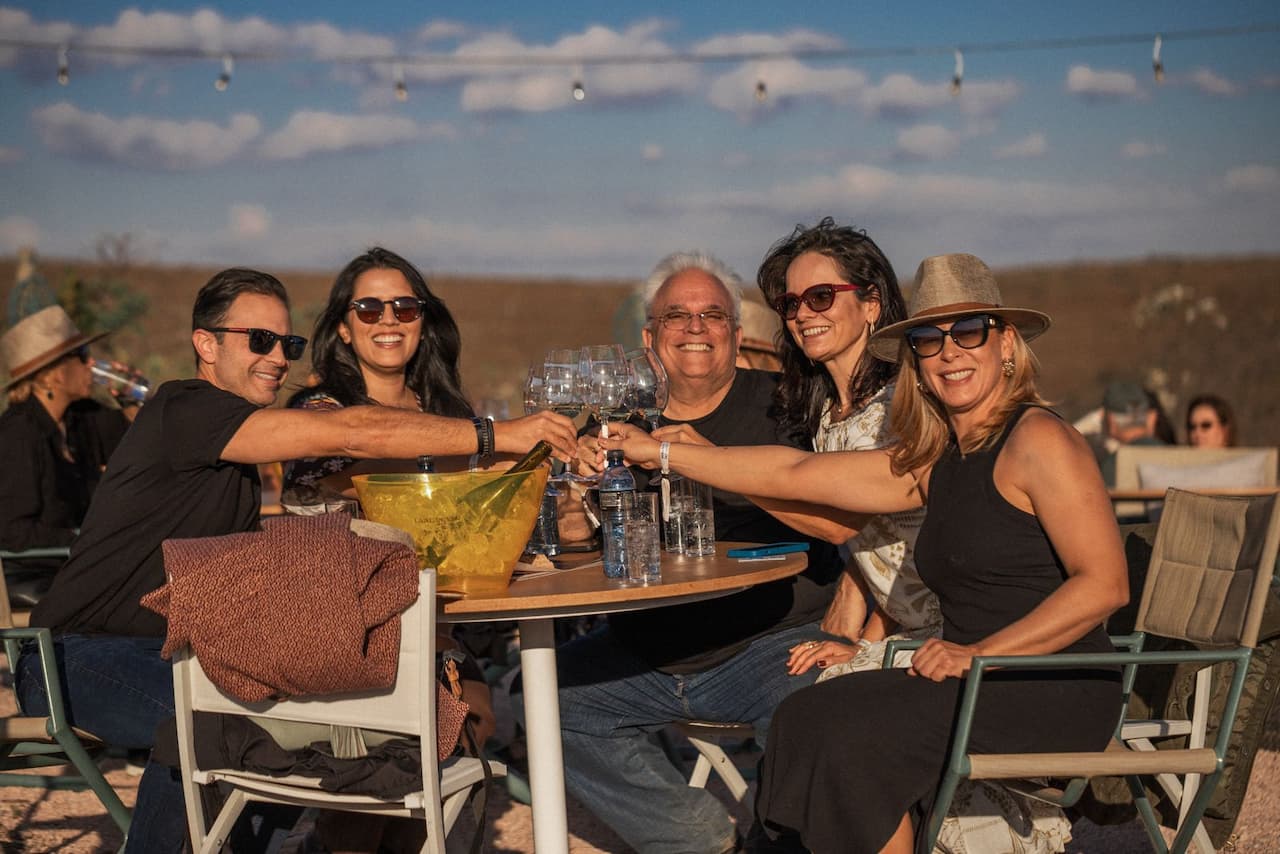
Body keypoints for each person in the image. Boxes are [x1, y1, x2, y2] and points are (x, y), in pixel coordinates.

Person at [16, 268, 577, 852]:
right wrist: (494, 434)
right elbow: (351, 435)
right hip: (70, 655)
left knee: (308, 714)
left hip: (177, 653)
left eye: (287, 344)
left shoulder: (231, 453)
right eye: (258, 340)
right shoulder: (185, 407)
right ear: (205, 344)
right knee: (216, 721)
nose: (278, 358)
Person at [607, 252, 1129, 853]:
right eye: (929, 341)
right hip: (964, 670)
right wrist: (666, 453)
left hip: (1045, 682)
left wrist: (980, 654)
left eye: (968, 333)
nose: (949, 353)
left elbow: (1104, 585)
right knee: (807, 718)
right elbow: (799, 469)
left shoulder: (1040, 438)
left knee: (851, 738)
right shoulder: (939, 457)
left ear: (1006, 343)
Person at [522, 250, 843, 854]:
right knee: (544, 695)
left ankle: (781, 841)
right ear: (650, 338)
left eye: (712, 315)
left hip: (771, 643)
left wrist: (698, 459)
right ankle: (695, 838)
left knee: (816, 701)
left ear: (736, 334)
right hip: (645, 651)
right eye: (677, 316)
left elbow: (836, 520)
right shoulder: (618, 422)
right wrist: (574, 503)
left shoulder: (786, 407)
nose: (695, 328)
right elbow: (576, 549)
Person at [280, 247, 497, 853]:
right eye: (369, 308)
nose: (388, 319)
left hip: (442, 624)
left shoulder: (447, 414)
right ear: (344, 328)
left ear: (423, 320)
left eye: (404, 306)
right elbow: (367, 464)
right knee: (387, 770)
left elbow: (476, 523)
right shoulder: (319, 411)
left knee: (471, 726)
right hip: (353, 630)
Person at [751, 218, 937, 678]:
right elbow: (877, 544)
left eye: (821, 296)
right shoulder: (827, 413)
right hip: (900, 631)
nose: (803, 315)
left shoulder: (904, 401)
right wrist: (865, 638)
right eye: (790, 303)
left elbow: (838, 524)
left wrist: (702, 468)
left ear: (871, 302)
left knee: (804, 690)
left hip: (949, 632)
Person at [0, 304, 127, 605]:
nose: (92, 363)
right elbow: (11, 531)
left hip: (75, 564)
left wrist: (130, 394)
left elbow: (140, 440)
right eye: (82, 355)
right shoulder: (17, 434)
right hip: (35, 571)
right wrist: (81, 539)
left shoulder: (80, 420)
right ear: (51, 375)